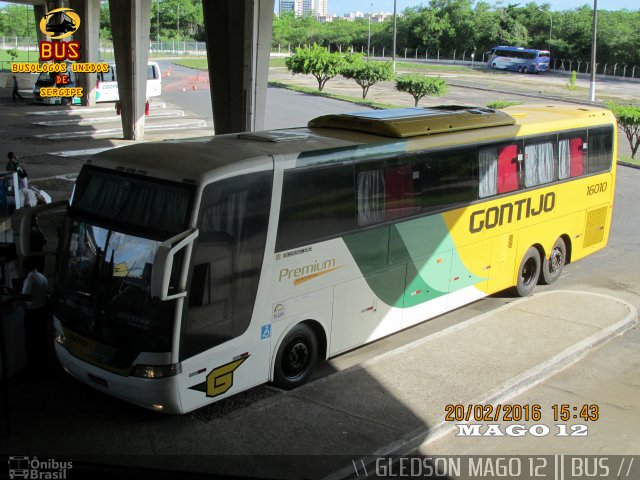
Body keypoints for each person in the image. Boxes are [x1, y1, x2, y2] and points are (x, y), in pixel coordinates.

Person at [19, 256, 50, 372]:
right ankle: (43, 365)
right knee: (41, 340)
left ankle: (32, 368)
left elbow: (26, 296)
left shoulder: (30, 278)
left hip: (33, 314)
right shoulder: (42, 277)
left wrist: (16, 296)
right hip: (42, 312)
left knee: (31, 342)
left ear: (26, 267)